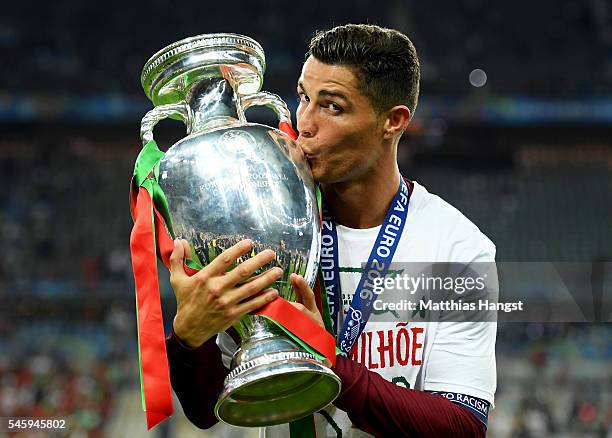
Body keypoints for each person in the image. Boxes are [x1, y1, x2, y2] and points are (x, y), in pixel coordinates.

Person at [166, 24, 497, 437]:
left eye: (332, 106)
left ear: (393, 121)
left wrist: (326, 357)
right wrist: (187, 338)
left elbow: (462, 428)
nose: (304, 122)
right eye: (304, 97)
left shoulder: (457, 248)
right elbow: (205, 409)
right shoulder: (271, 223)